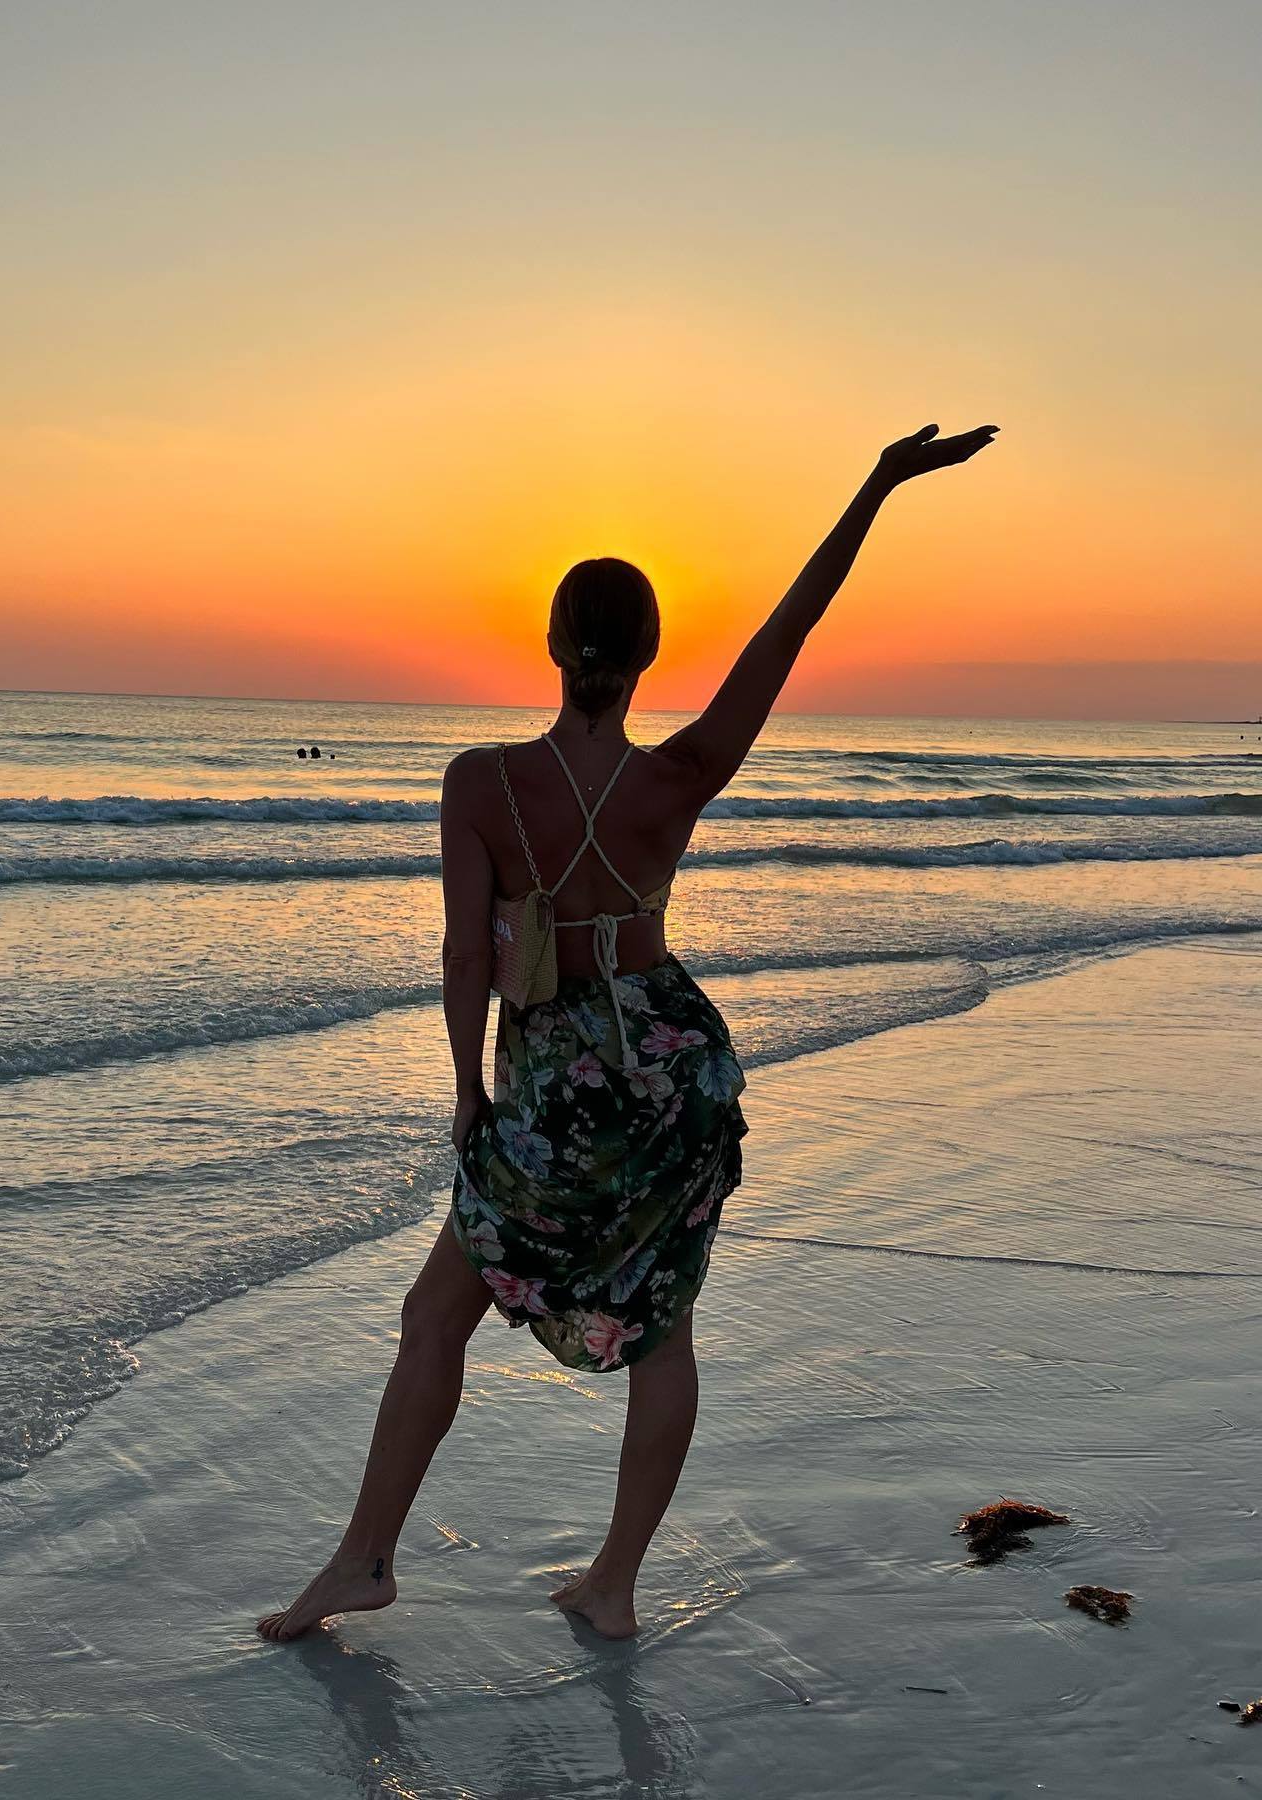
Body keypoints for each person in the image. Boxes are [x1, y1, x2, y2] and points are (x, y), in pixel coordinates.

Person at [257, 421, 998, 1644]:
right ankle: (612, 1583)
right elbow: (789, 631)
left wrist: (467, 1094)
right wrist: (876, 486)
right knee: (667, 1331)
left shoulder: (481, 782)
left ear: (553, 646)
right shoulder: (680, 775)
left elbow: (465, 957)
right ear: (651, 655)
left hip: (554, 1083)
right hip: (672, 1067)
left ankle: (365, 1559)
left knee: (436, 1317)